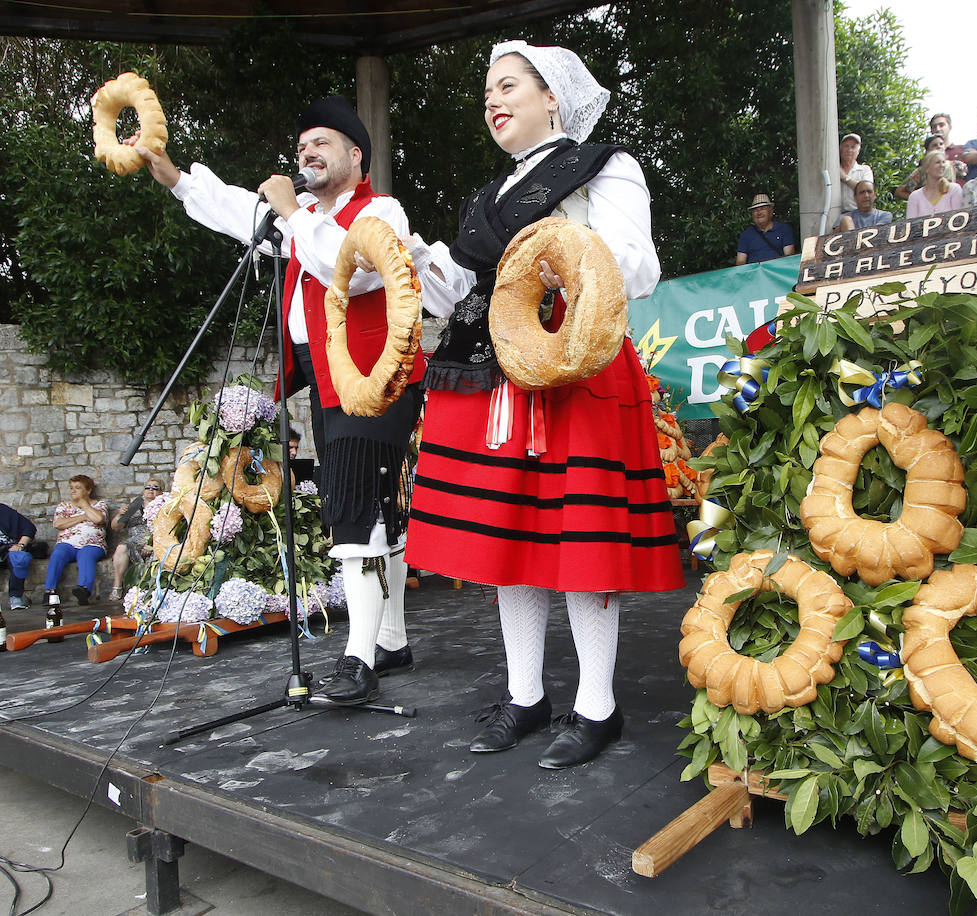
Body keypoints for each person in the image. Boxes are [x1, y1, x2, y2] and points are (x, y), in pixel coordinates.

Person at [405, 40, 684, 770]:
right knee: (510, 542)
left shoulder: (604, 165)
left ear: (552, 96)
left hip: (572, 365)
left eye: (508, 87)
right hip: (489, 375)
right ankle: (524, 696)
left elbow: (634, 263)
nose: (492, 101)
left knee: (582, 539)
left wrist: (556, 256)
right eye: (487, 93)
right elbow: (458, 295)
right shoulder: (485, 199)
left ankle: (598, 706)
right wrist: (413, 262)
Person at [131, 96, 448, 703]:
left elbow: (346, 266)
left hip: (377, 377)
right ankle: (392, 639)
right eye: (302, 145)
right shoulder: (298, 214)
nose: (307, 152)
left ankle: (358, 661)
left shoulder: (380, 209)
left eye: (322, 142)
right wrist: (172, 176)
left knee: (355, 510)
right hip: (327, 380)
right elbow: (232, 209)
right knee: (378, 511)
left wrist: (288, 212)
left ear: (355, 155)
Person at [44, 475, 107, 621]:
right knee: (58, 553)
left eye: (78, 488)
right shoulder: (64, 506)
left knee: (86, 555)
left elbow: (98, 519)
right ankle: (49, 591)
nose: (73, 491)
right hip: (68, 543)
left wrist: (85, 505)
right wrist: (83, 517)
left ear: (88, 490)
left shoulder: (99, 505)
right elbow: (58, 524)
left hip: (92, 543)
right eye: (71, 487)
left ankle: (84, 590)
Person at [109, 477, 164, 600]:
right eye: (148, 487)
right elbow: (116, 526)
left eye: (155, 488)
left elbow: (166, 529)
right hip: (134, 541)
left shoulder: (163, 506)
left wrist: (152, 544)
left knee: (157, 555)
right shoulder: (135, 505)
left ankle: (150, 592)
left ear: (161, 492)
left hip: (155, 541)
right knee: (122, 547)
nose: (151, 490)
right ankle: (117, 587)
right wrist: (120, 514)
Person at [735, 194, 796, 264]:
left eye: (762, 208)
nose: (759, 212)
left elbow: (789, 258)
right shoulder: (746, 235)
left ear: (771, 211)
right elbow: (740, 262)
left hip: (778, 272)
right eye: (755, 210)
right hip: (754, 273)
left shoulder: (784, 229)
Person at [0, 503, 37, 612]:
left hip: (9, 548)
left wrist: (20, 545)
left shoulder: (2, 510)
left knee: (19, 558)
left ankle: (16, 597)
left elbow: (29, 528)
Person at [905, 149, 963, 218]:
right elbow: (911, 225)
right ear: (927, 168)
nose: (942, 165)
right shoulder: (914, 196)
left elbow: (959, 219)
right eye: (938, 162)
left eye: (943, 162)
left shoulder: (954, 189)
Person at [838, 132, 874, 213]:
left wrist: (845, 178)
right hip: (834, 215)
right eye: (846, 146)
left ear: (858, 151)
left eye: (853, 147)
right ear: (840, 148)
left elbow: (865, 191)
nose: (849, 150)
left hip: (859, 214)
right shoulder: (833, 169)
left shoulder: (865, 170)